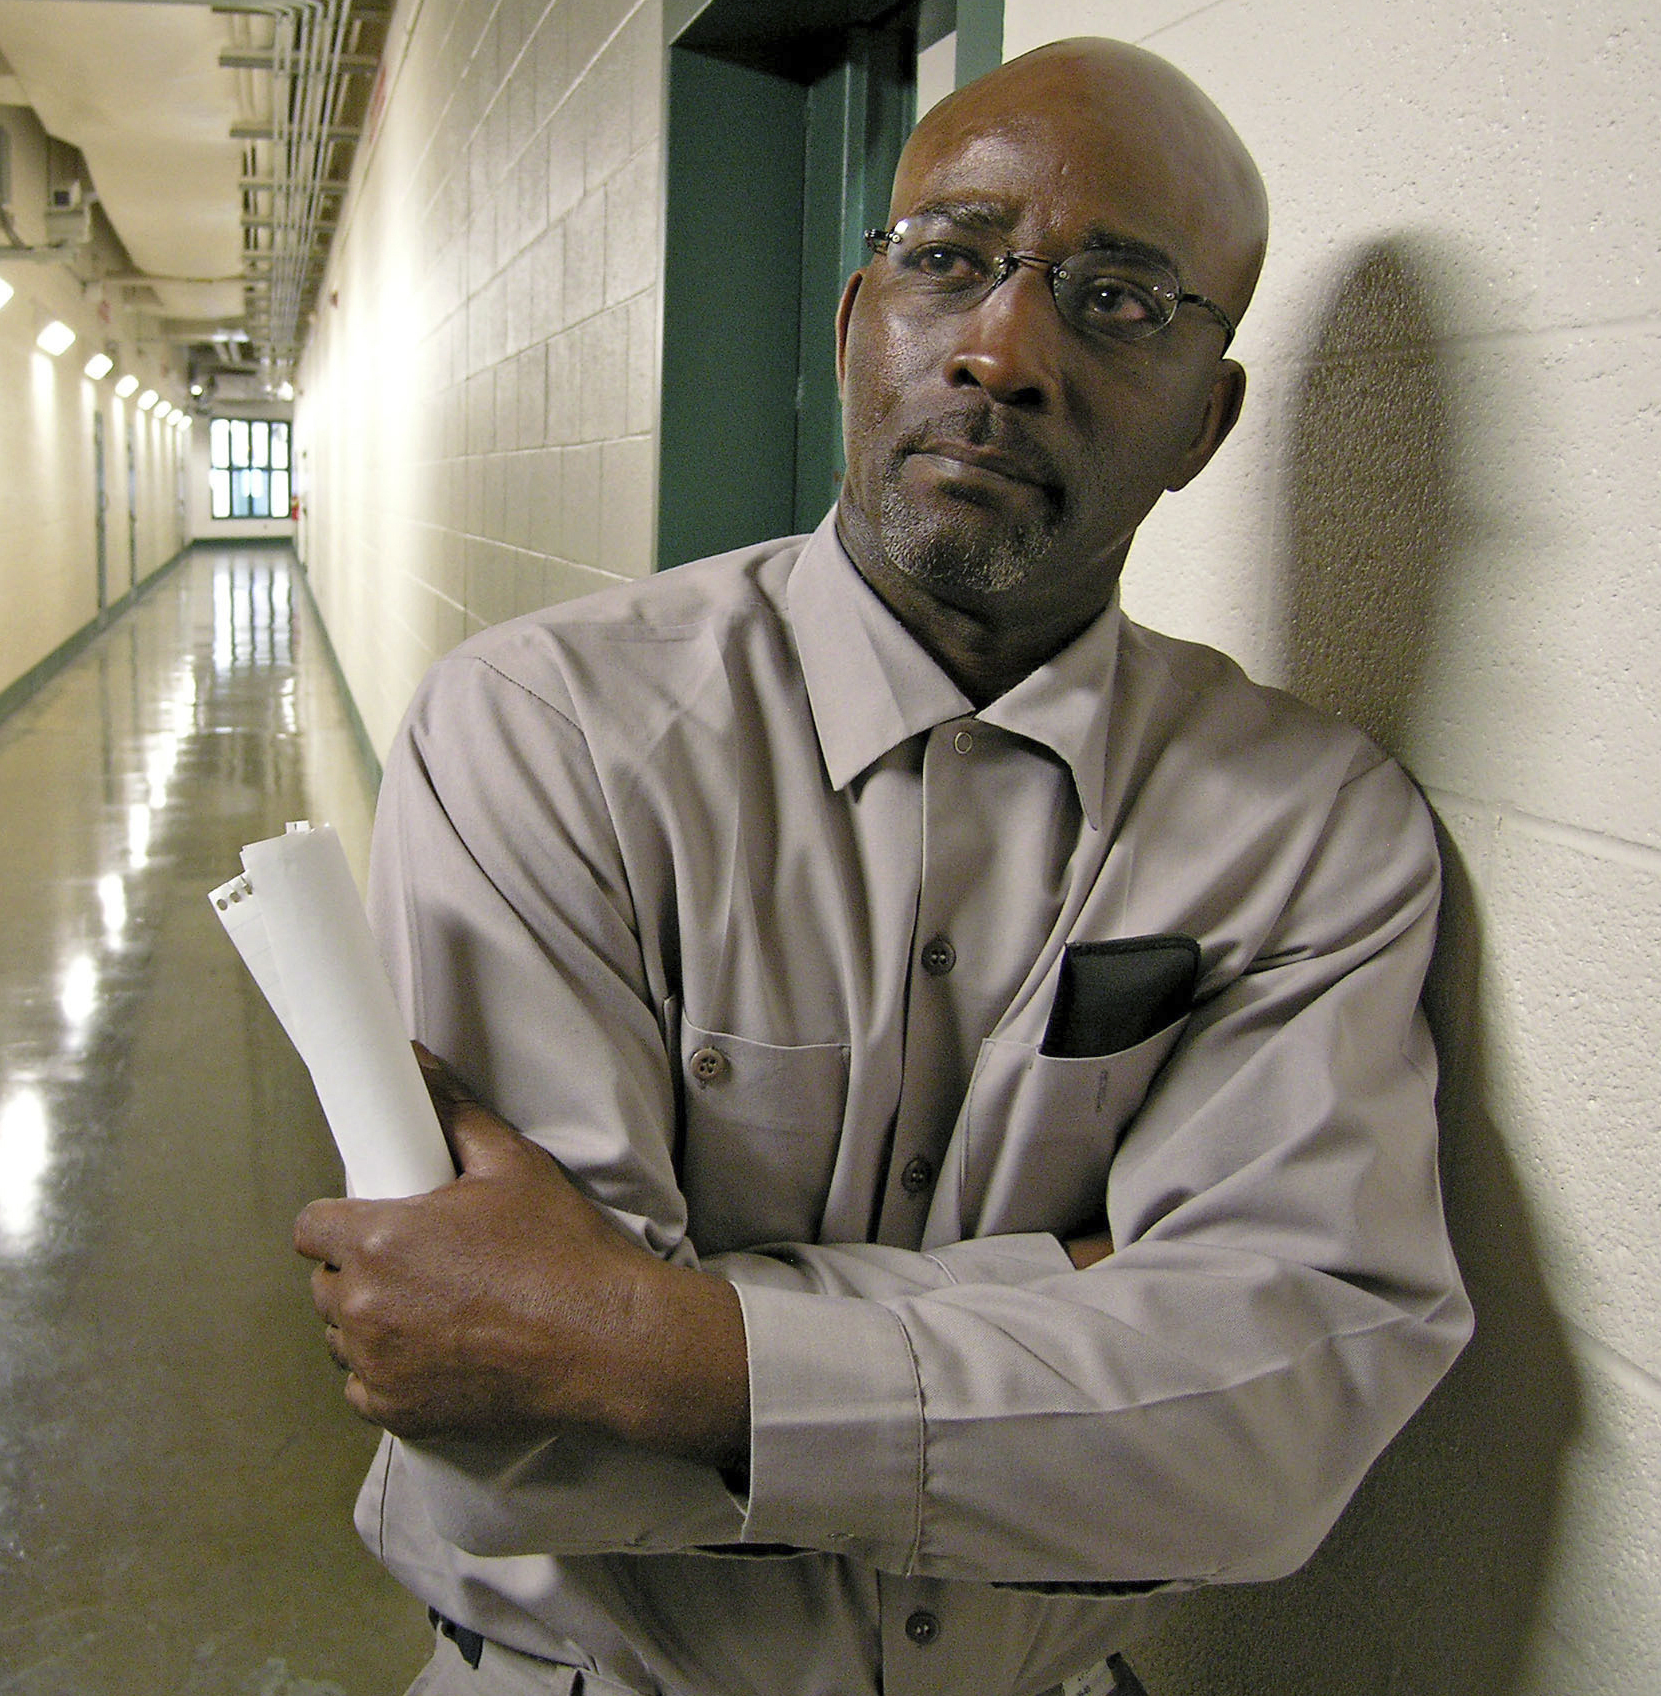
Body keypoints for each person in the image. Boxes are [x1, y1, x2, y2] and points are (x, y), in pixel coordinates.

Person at [293, 37, 1472, 1696]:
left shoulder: (1311, 825)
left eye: (1118, 299)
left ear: (1206, 422)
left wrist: (653, 1337)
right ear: (859, 328)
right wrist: (1087, 1327)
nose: (1002, 349)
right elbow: (514, 1425)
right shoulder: (546, 729)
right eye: (948, 262)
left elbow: (1276, 1424)